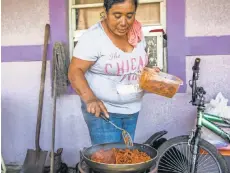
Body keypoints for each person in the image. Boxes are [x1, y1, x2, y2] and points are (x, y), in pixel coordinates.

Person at [68, 0, 159, 145]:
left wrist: (148, 72)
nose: (124, 22)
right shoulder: (93, 38)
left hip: (132, 109)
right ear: (105, 11)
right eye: (117, 15)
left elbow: (137, 64)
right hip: (104, 112)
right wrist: (90, 99)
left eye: (130, 15)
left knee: (126, 158)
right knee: (110, 162)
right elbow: (75, 71)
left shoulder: (136, 33)